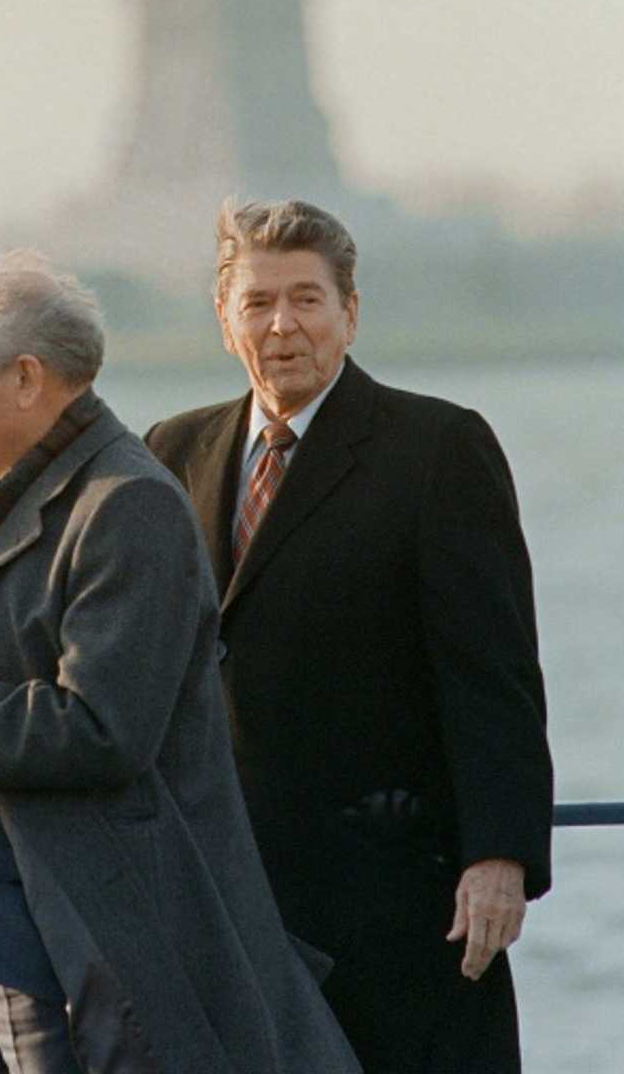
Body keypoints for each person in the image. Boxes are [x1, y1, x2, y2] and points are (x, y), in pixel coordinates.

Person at [0, 252, 360, 1074]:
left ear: (26, 378)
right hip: (6, 936)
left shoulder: (130, 506)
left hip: (102, 947)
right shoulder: (6, 492)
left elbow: (102, 728)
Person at [145, 200, 554, 1074]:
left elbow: (495, 674)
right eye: (257, 304)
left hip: (401, 905)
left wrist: (501, 856)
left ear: (350, 314)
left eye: (307, 299)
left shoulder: (438, 447)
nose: (282, 326)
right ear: (225, 322)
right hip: (230, 901)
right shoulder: (173, 451)